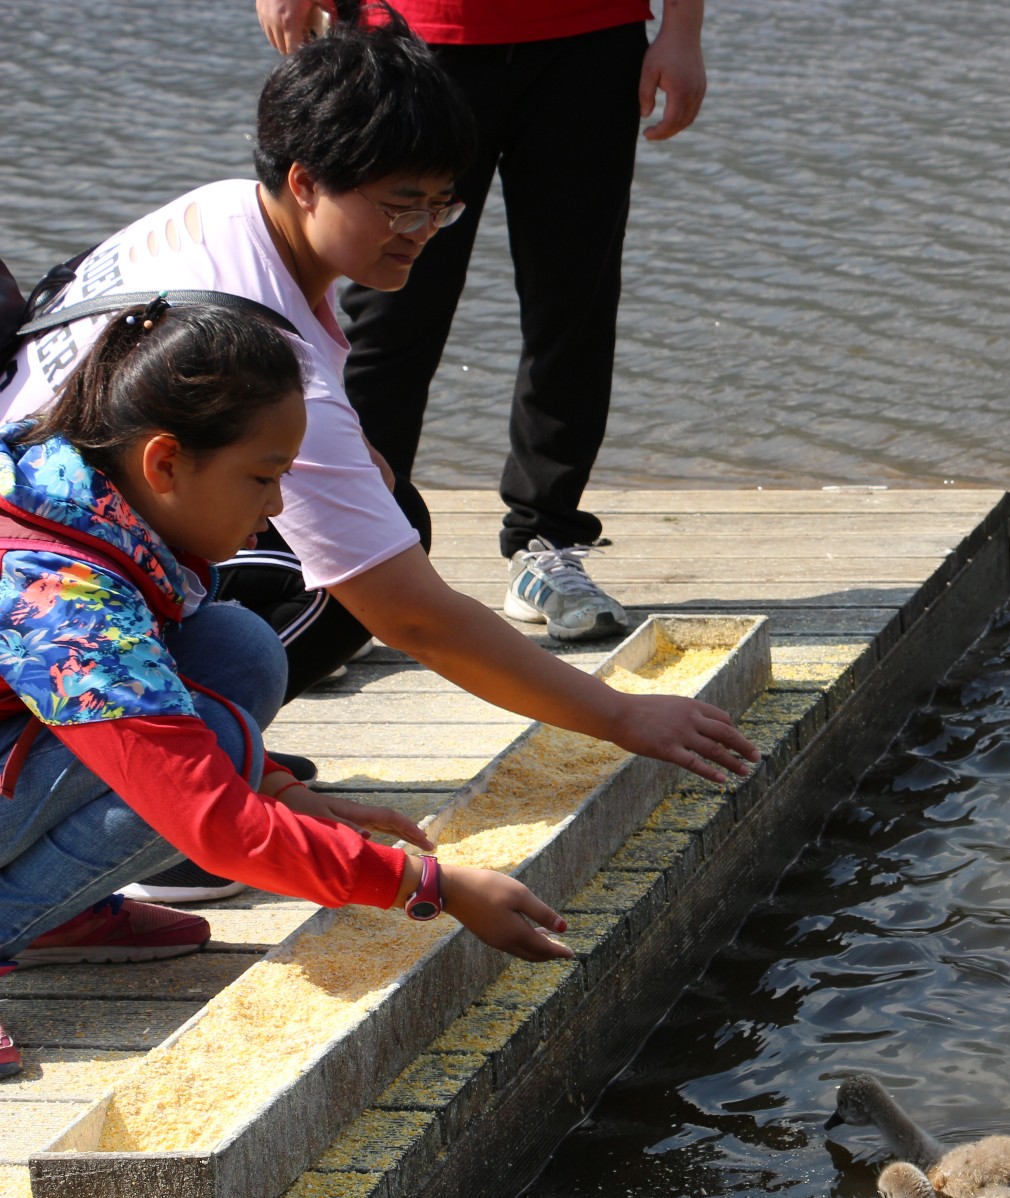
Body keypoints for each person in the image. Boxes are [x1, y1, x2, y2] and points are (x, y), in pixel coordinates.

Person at [0, 4, 756, 904]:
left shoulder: (223, 215)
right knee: (272, 662)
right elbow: (416, 619)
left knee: (261, 632)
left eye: (444, 201)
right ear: (306, 179)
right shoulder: (259, 352)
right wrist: (621, 716)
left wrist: (284, 786)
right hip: (54, 578)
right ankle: (113, 858)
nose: (427, 229)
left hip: (50, 516)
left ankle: (129, 838)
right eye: (401, 204)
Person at [0, 301, 571, 1078]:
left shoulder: (84, 488)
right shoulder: (64, 592)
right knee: (216, 749)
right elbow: (210, 822)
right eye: (262, 478)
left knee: (234, 649)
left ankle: (50, 918)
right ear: (165, 461)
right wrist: (431, 886)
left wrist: (277, 789)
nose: (273, 508)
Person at [257, 0, 708, 644]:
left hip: (588, 35)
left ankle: (545, 542)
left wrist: (682, 29)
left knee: (573, 304)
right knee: (388, 314)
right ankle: (341, 554)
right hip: (417, 27)